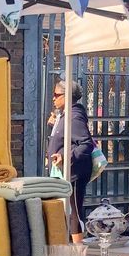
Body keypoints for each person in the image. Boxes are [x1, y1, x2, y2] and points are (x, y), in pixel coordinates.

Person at [47, 79, 93, 243]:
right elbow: (65, 139)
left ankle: (78, 249)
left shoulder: (74, 117)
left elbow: (86, 143)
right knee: (67, 209)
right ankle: (72, 245)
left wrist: (66, 156)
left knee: (74, 210)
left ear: (66, 96)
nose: (53, 98)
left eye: (56, 95)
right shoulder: (65, 115)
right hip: (64, 170)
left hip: (73, 171)